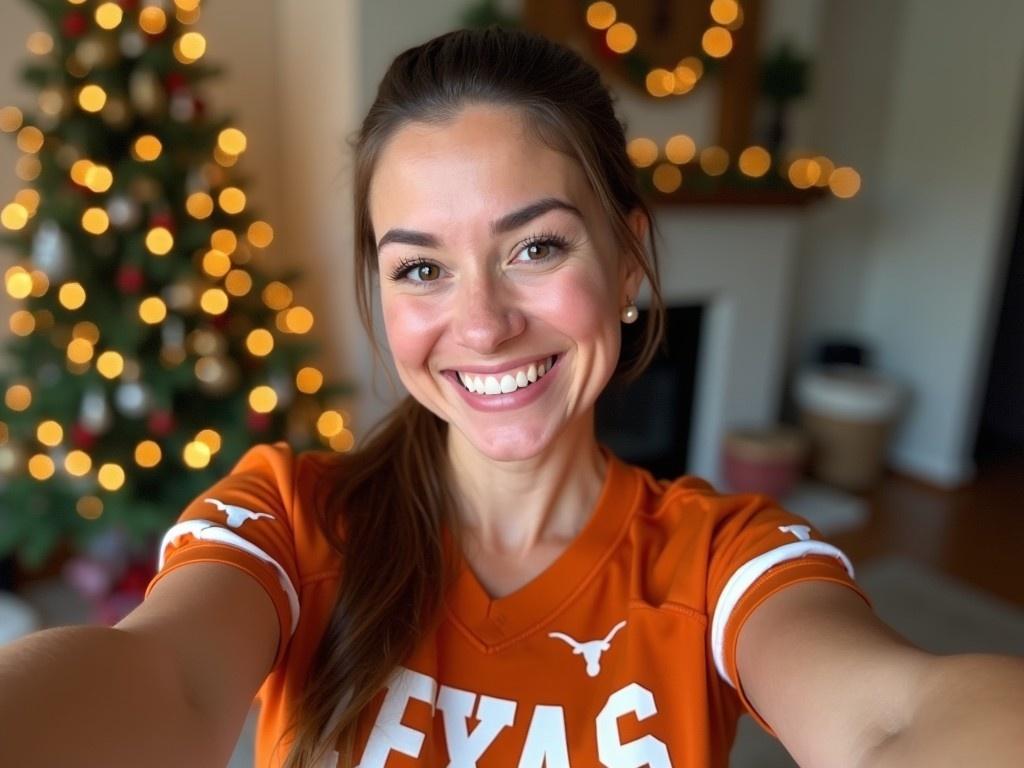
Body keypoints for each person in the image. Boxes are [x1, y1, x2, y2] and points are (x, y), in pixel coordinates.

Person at [1, 24, 1022, 768]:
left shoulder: (720, 563)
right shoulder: (290, 521)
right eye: (420, 269)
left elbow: (898, 721)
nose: (482, 324)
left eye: (535, 247)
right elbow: (159, 684)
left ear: (628, 258)